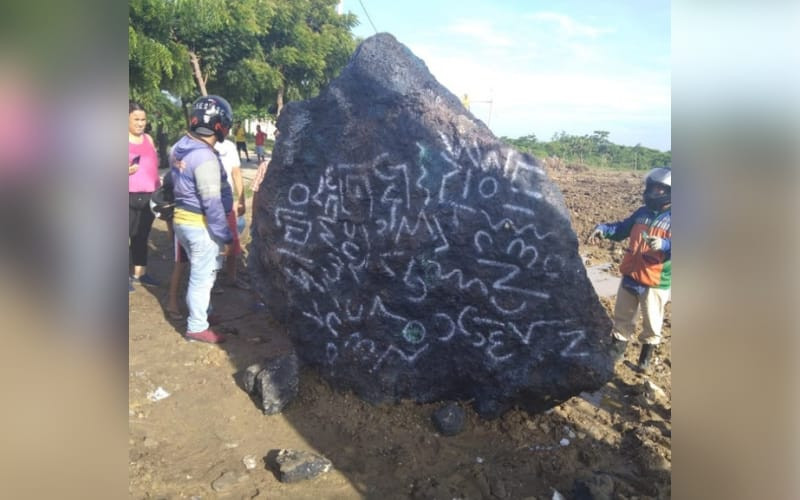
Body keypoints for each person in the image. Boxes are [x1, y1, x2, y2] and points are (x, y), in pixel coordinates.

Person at [587, 167, 672, 373]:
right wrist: (604, 230)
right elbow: (621, 229)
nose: (654, 193)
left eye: (660, 189)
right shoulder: (642, 213)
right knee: (623, 318)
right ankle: (615, 354)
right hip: (631, 274)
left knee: (652, 322)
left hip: (655, 279)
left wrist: (664, 245)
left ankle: (644, 362)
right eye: (652, 188)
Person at [168, 95, 235, 344]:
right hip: (200, 224)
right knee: (202, 276)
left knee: (201, 271)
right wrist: (225, 236)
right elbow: (212, 204)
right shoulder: (205, 158)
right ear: (220, 124)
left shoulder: (180, 146)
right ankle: (197, 327)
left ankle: (203, 312)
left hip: (183, 221)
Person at [129, 100, 161, 291]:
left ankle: (140, 274)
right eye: (136, 119)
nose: (141, 123)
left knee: (142, 236)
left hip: (150, 195)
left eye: (143, 119)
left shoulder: (148, 139)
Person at [214, 135, 249, 289]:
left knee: (233, 238)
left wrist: (241, 198)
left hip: (226, 199)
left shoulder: (229, 146)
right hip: (207, 198)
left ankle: (231, 277)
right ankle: (211, 281)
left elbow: (236, 172)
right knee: (211, 241)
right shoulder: (197, 146)